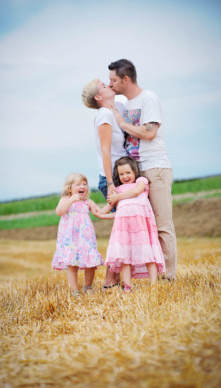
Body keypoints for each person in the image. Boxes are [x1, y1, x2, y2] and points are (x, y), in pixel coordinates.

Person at [107, 59, 177, 281]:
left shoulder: (149, 99)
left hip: (155, 167)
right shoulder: (126, 104)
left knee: (162, 224)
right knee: (147, 225)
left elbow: (149, 133)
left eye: (113, 80)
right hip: (139, 172)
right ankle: (151, 275)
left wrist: (121, 122)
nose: (110, 84)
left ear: (125, 79)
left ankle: (168, 277)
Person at [81, 79, 127, 289]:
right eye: (103, 85)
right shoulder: (104, 115)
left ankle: (114, 279)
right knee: (123, 226)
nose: (108, 84)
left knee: (124, 224)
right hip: (112, 177)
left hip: (120, 174)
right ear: (98, 97)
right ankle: (110, 280)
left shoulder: (116, 109)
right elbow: (106, 151)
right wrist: (110, 184)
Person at [96, 156, 165, 293]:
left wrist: (116, 197)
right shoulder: (118, 190)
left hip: (141, 227)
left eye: (128, 172)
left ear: (135, 171)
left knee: (147, 253)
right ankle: (127, 285)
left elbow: (135, 192)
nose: (125, 176)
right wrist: (96, 211)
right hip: (123, 228)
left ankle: (154, 283)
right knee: (124, 256)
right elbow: (108, 210)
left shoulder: (141, 181)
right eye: (121, 174)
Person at [52, 172, 112, 296]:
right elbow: (59, 211)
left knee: (90, 264)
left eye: (84, 184)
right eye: (78, 184)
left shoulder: (87, 202)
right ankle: (74, 290)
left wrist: (112, 203)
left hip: (86, 238)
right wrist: (72, 199)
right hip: (70, 239)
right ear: (69, 188)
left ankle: (88, 286)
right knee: (72, 265)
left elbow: (100, 212)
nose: (82, 186)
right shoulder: (65, 199)